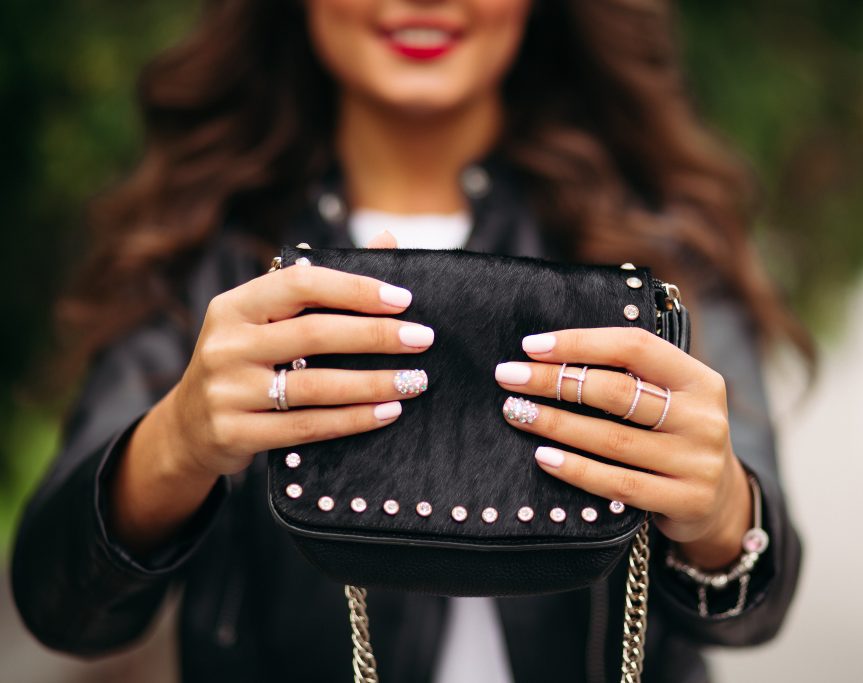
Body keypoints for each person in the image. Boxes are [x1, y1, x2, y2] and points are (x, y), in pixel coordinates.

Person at [11, 1, 807, 681]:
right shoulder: (203, 247)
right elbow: (57, 600)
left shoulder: (663, 244)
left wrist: (721, 508)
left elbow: (758, 601)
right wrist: (178, 440)